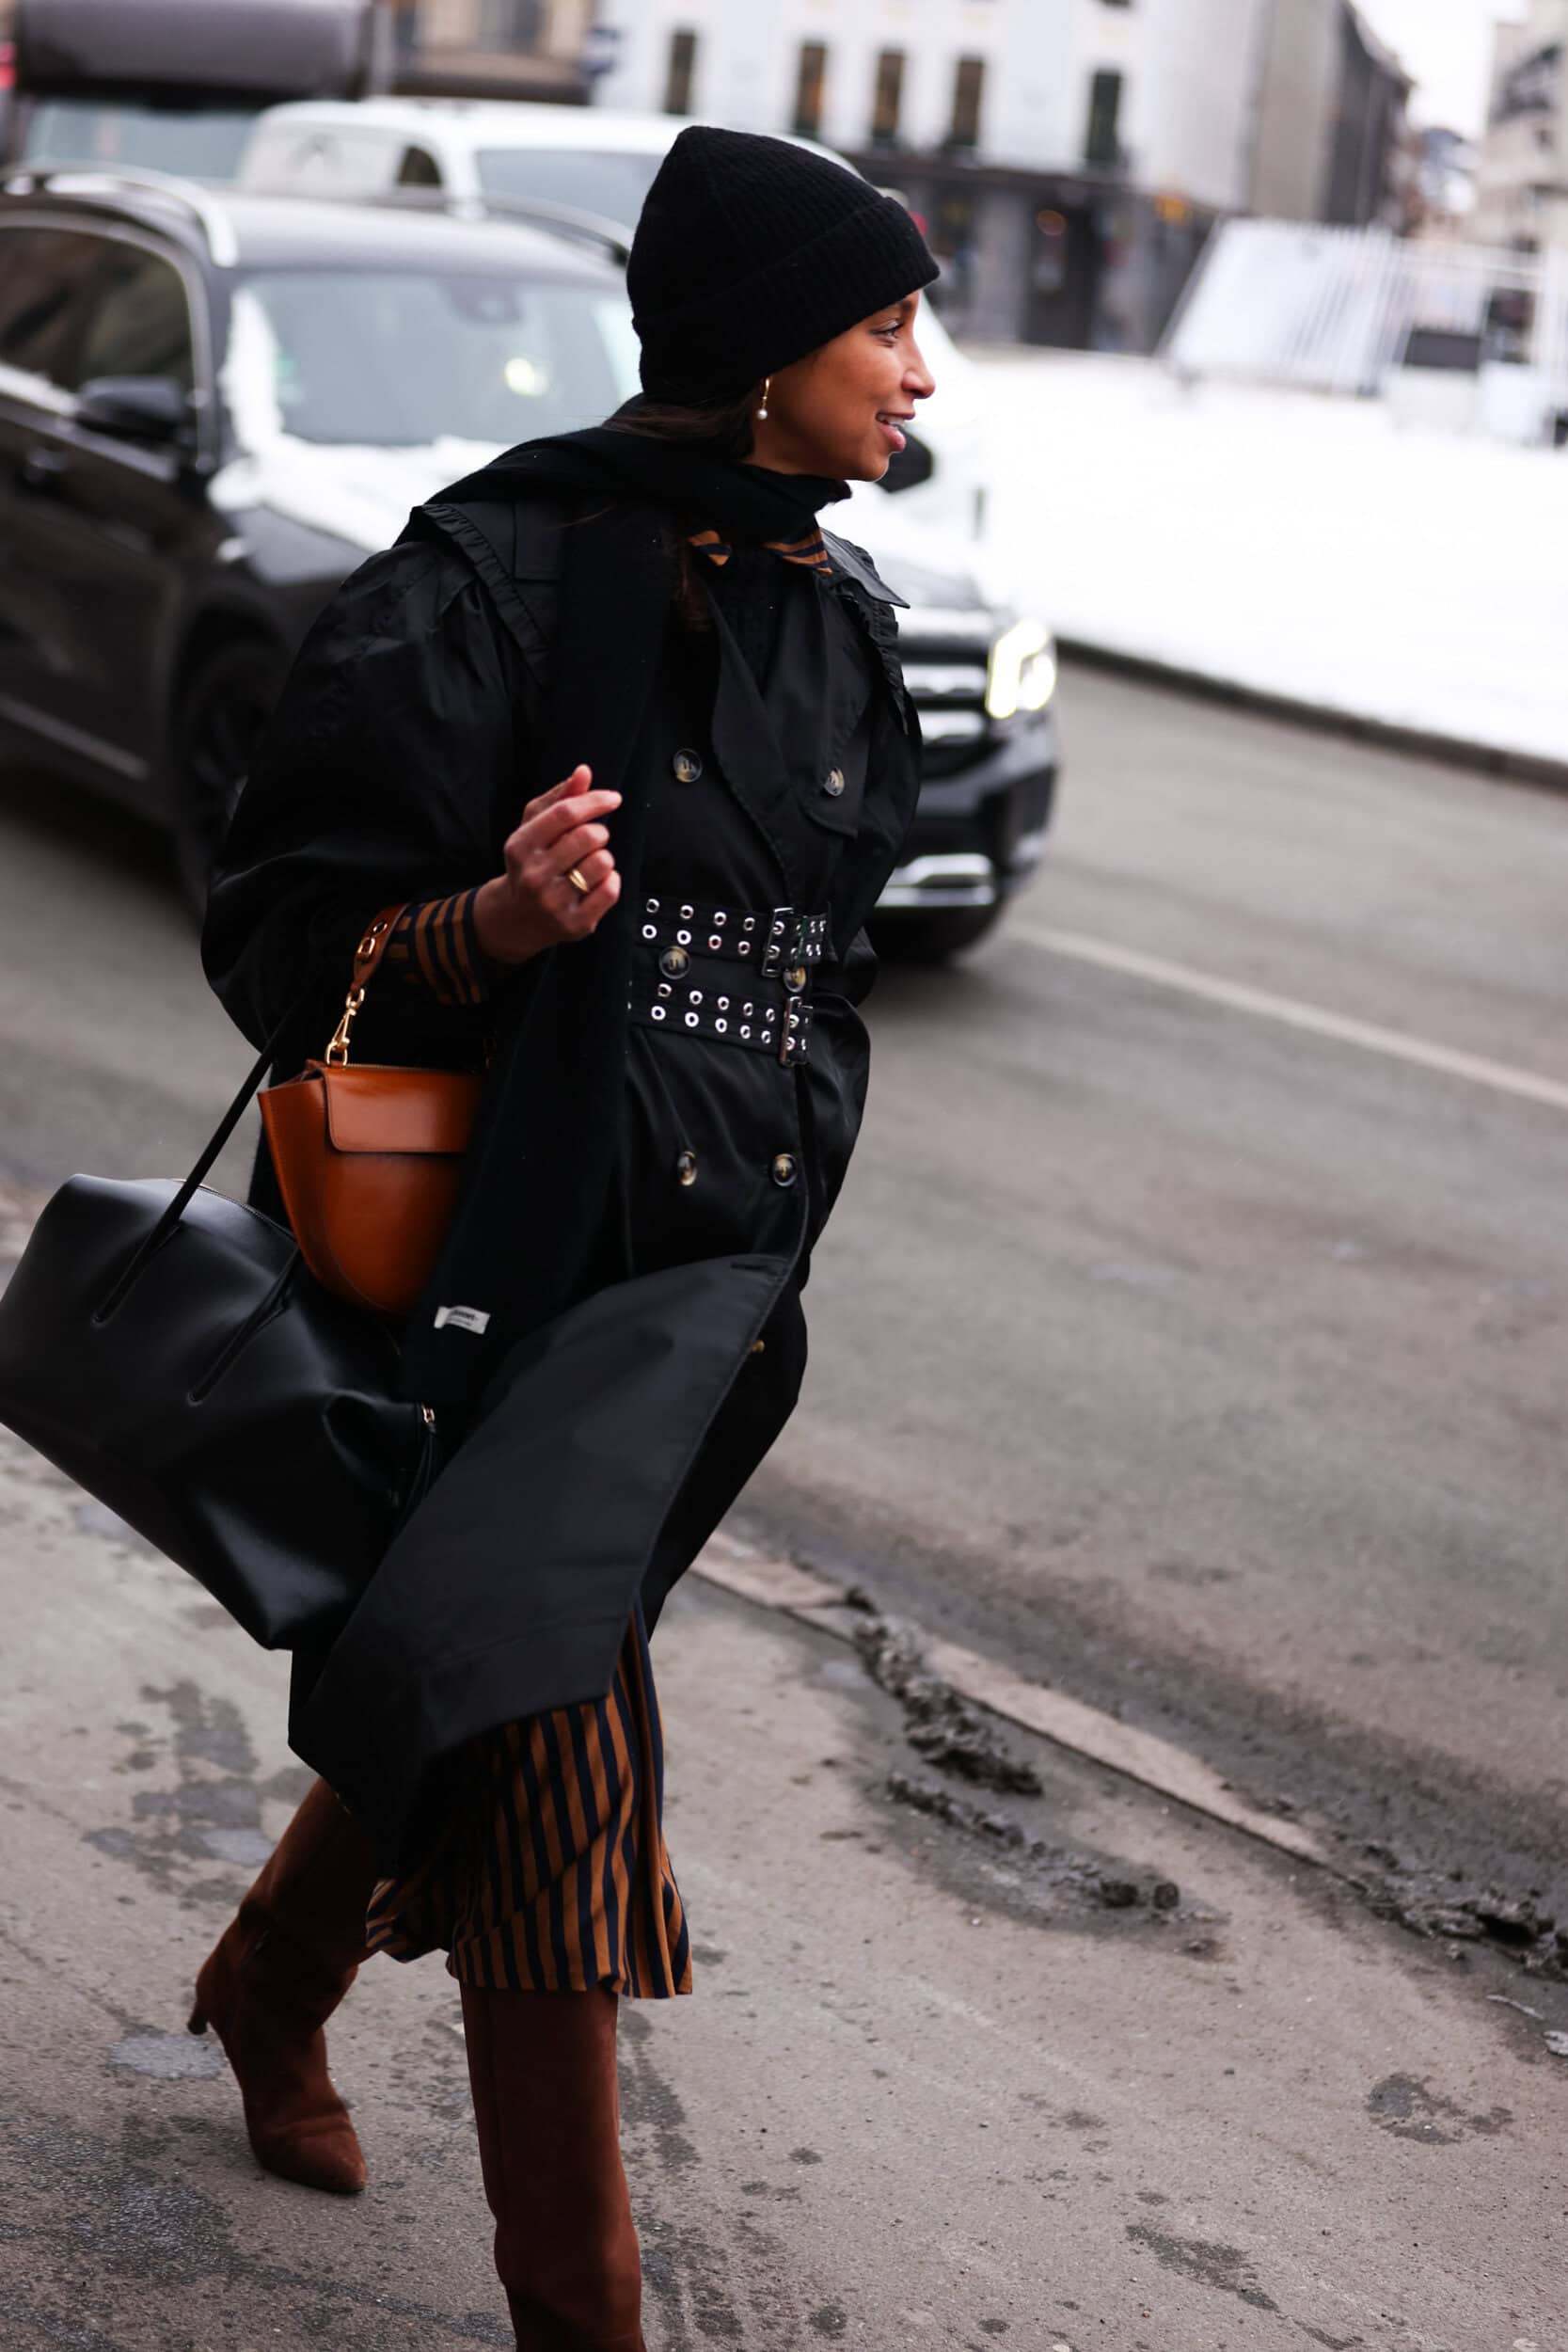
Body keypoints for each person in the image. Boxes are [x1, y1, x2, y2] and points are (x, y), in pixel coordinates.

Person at [197, 125, 936, 2350]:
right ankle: (587, 2308)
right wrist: (494, 926)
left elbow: (823, 962)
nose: (924, 372)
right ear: (763, 352)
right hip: (484, 1292)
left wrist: (787, 1161)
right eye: (886, 322)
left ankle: (274, 1974)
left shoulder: (841, 616)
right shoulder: (490, 578)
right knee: (563, 1788)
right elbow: (279, 935)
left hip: (701, 1308)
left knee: (480, 1670)